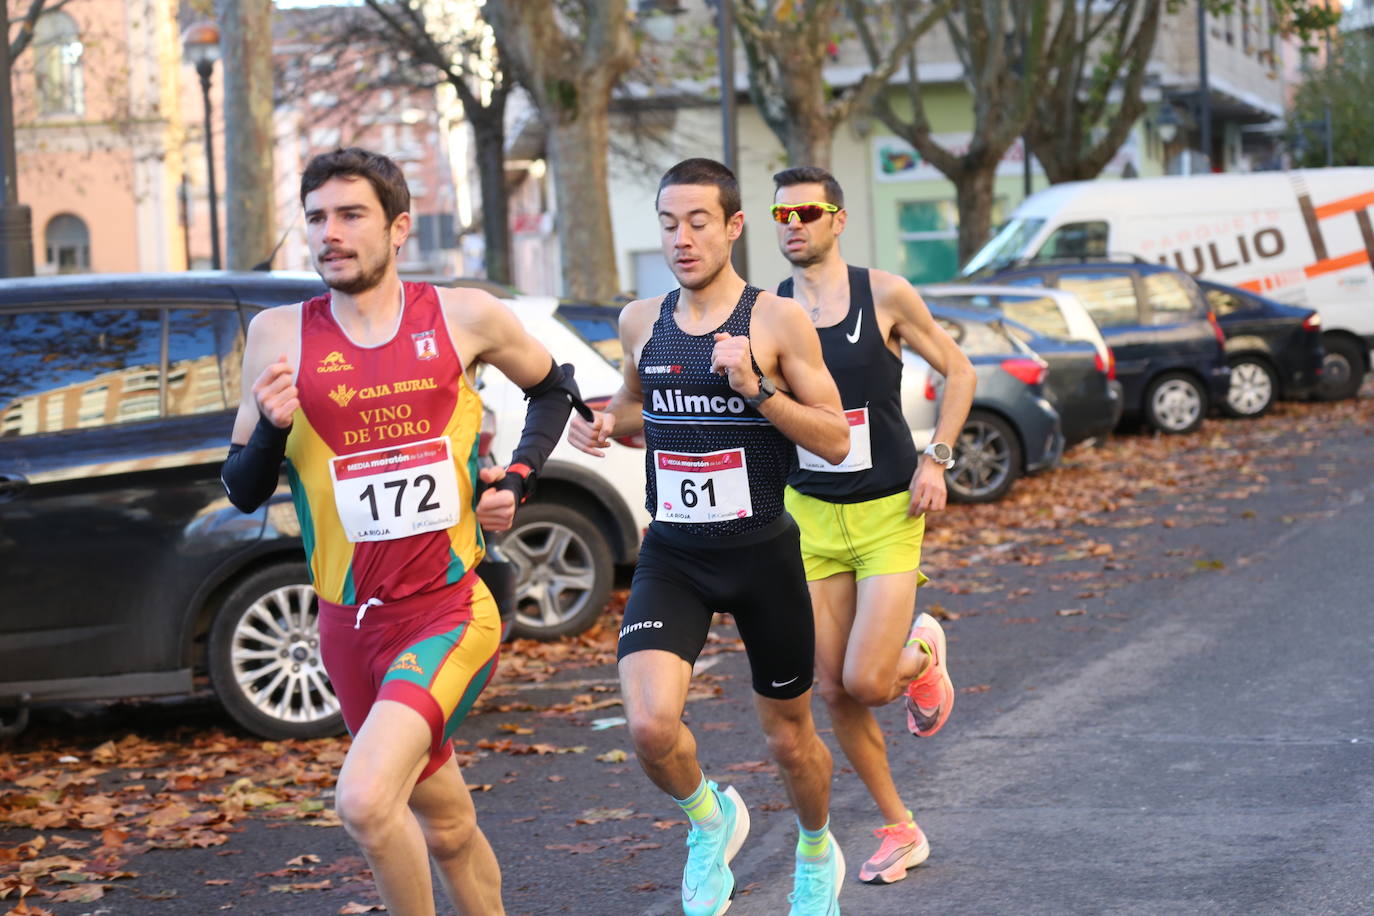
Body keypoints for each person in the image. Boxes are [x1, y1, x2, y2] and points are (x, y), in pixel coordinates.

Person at [220, 147, 588, 916]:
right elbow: (243, 488)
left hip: (448, 610)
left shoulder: (464, 315)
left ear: (398, 227)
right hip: (345, 628)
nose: (331, 233)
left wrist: (516, 478)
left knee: (362, 799)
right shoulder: (278, 335)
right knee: (446, 825)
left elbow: (555, 388)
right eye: (317, 217)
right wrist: (270, 431)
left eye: (351, 215)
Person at [568, 158, 851, 916]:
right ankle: (709, 818)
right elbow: (635, 405)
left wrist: (756, 387)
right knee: (651, 726)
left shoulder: (776, 320)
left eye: (699, 223)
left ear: (733, 226)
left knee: (790, 741)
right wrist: (598, 421)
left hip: (761, 552)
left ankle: (817, 848)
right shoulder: (641, 319)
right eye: (668, 224)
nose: (682, 239)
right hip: (676, 553)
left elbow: (833, 440)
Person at [770, 166, 976, 886]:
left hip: (890, 509)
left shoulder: (882, 293)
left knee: (868, 679)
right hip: (810, 517)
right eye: (781, 213)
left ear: (838, 218)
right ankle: (899, 826)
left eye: (807, 211)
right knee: (832, 689)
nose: (793, 223)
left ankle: (920, 658)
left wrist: (937, 460)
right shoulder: (767, 311)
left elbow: (960, 370)